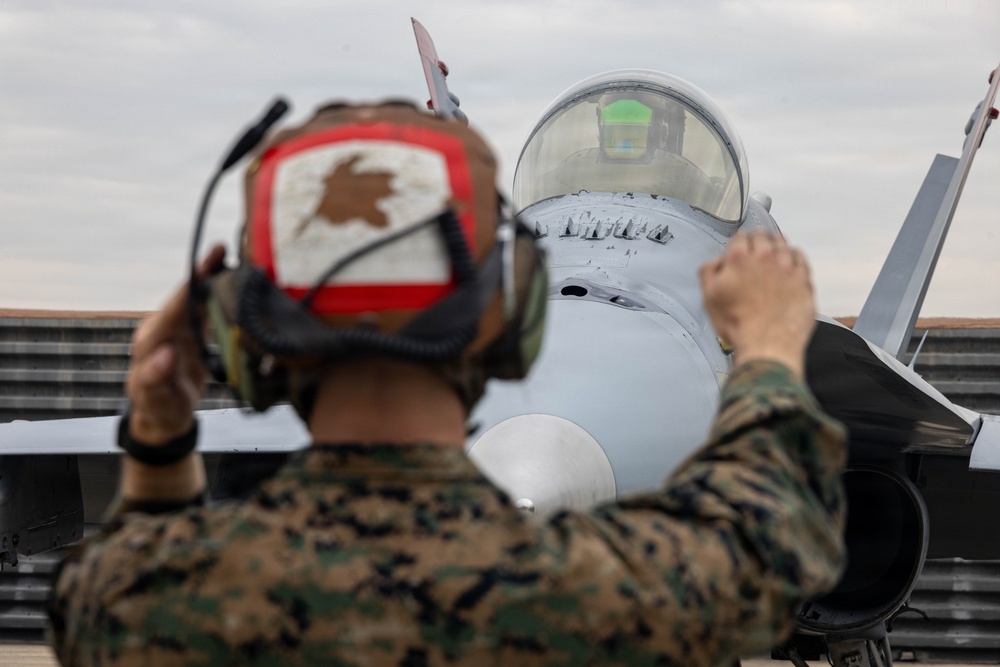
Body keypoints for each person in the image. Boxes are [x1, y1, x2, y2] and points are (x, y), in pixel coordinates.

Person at [48, 101, 846, 667]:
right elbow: (769, 536)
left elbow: (129, 562)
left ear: (241, 338)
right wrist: (769, 348)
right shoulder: (636, 591)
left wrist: (158, 434)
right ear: (516, 315)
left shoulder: (136, 608)